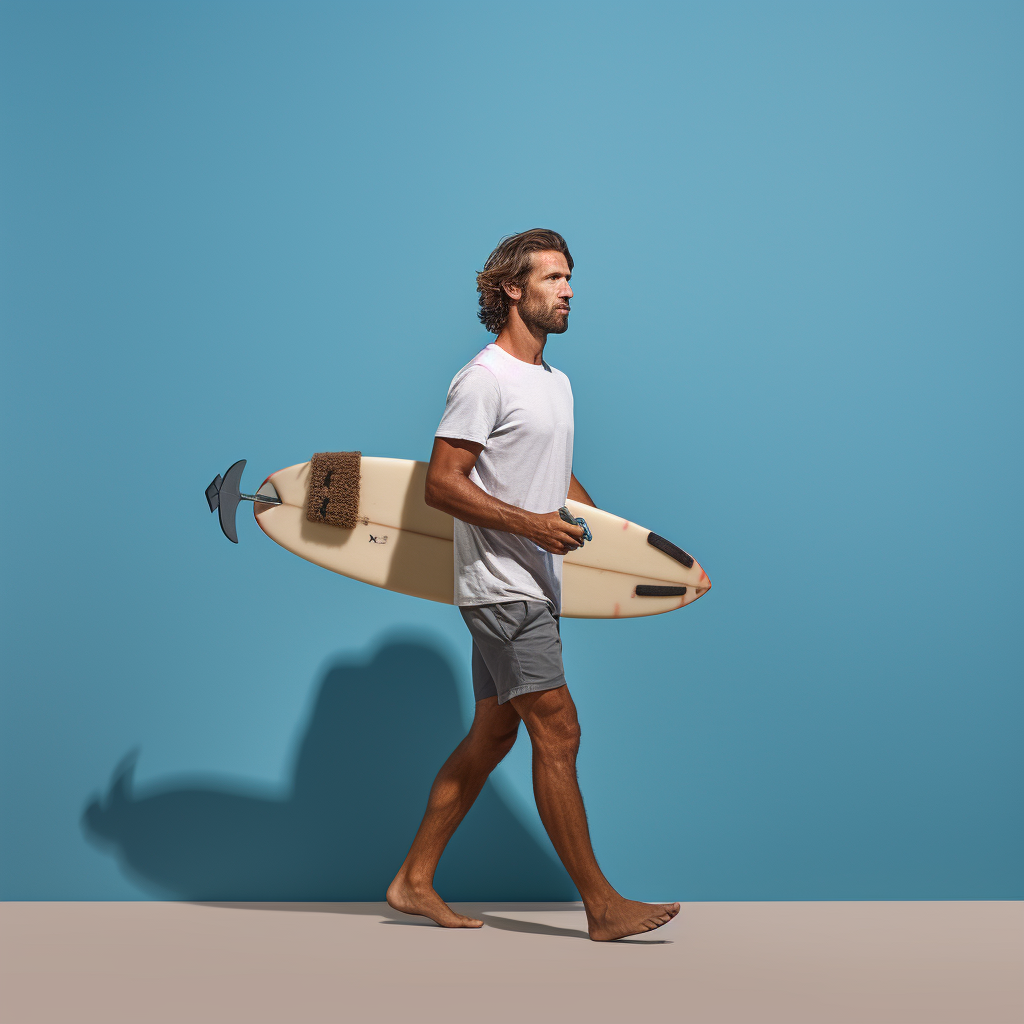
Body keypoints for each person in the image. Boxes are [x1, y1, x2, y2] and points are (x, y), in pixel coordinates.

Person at [386, 229, 680, 941]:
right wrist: (532, 528)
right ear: (511, 289)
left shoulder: (556, 383)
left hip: (534, 581)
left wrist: (609, 540)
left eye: (570, 277)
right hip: (500, 585)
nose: (569, 289)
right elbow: (442, 485)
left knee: (492, 737)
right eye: (553, 277)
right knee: (560, 731)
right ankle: (602, 907)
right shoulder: (482, 379)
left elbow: (557, 486)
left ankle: (413, 879)